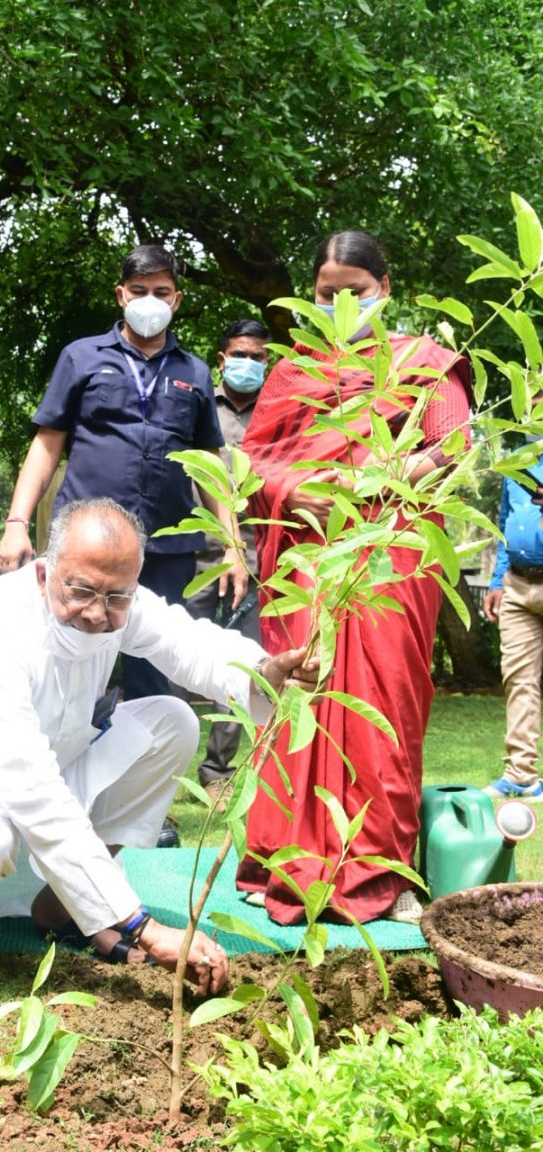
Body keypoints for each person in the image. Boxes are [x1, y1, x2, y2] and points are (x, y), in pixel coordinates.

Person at [0, 498, 316, 984]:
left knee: (172, 723)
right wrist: (142, 926)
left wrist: (263, 674)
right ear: (46, 572)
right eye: (82, 591)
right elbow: (32, 789)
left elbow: (188, 643)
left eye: (116, 598)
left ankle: (63, 907)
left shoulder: (116, 602)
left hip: (40, 765)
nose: (96, 614)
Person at [235, 229, 472, 926]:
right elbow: (252, 466)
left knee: (384, 713)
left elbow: (451, 449)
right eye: (326, 295)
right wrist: (292, 492)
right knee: (297, 700)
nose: (341, 307)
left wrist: (376, 480)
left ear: (385, 291)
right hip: (307, 566)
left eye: (356, 294)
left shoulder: (424, 362)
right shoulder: (292, 373)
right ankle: (283, 856)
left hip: (387, 565)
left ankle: (380, 870)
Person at [0, 244, 247, 702]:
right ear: (120, 295)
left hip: (167, 546)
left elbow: (210, 465)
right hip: (84, 545)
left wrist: (232, 545)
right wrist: (16, 523)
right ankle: (54, 761)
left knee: (153, 672)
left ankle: (140, 767)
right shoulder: (81, 357)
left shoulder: (194, 371)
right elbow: (47, 444)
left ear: (177, 299)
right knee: (65, 655)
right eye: (139, 290)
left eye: (161, 291)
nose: (149, 300)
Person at [182, 319, 270, 801]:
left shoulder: (275, 411)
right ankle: (162, 763)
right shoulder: (197, 402)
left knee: (244, 665)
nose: (248, 364)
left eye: (258, 357)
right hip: (194, 551)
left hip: (254, 556)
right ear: (221, 358)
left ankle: (217, 770)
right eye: (240, 354)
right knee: (176, 656)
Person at [483, 440, 543, 801]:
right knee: (519, 680)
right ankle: (521, 776)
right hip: (518, 585)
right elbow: (505, 525)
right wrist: (496, 580)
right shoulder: (516, 461)